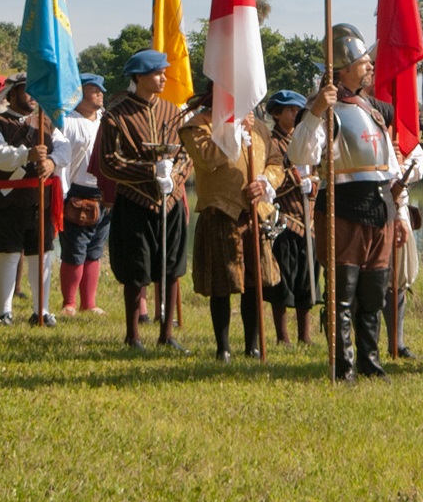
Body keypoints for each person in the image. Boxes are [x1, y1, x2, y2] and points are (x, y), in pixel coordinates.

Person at [291, 26, 411, 381]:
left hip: (379, 209)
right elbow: (300, 155)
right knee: (342, 293)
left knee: (374, 293)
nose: (370, 67)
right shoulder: (324, 110)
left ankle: (370, 362)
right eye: (363, 63)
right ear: (343, 69)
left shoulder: (374, 111)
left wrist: (400, 212)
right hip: (343, 207)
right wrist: (315, 112)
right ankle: (342, 366)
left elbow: (390, 168)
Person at [180, 85, 283, 361]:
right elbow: (207, 158)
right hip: (219, 212)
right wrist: (234, 128)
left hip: (254, 214)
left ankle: (252, 345)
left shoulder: (259, 127)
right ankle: (222, 348)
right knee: (221, 285)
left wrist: (264, 183)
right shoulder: (197, 126)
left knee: (254, 283)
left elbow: (276, 164)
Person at [98, 49, 192, 351]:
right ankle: (133, 334)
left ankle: (166, 334)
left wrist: (174, 176)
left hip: (171, 201)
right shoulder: (115, 115)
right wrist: (150, 170)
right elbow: (108, 162)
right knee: (135, 270)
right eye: (157, 73)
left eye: (164, 72)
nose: (164, 77)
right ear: (139, 77)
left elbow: (186, 154)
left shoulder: (174, 112)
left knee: (172, 268)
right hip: (135, 201)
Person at [0, 74, 69, 326]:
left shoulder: (46, 122)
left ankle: (42, 310)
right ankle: (4, 311)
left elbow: (64, 148)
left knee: (42, 256)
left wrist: (51, 161)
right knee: (7, 254)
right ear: (11, 95)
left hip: (41, 201)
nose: (32, 95)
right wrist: (25, 155)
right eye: (26, 90)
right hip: (8, 200)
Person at [261, 90, 318, 345]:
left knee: (307, 282)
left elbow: (318, 172)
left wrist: (312, 183)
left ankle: (305, 335)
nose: (295, 115)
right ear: (276, 114)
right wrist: (296, 180)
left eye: (298, 111)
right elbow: (269, 178)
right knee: (281, 283)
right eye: (290, 111)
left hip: (309, 220)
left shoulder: (306, 141)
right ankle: (282, 336)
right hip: (283, 219)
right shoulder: (271, 143)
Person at [57, 73, 109, 316]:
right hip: (75, 192)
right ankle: (69, 303)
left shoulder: (107, 121)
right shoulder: (66, 122)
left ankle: (89, 302)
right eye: (94, 88)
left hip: (103, 192)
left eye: (101, 89)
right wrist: (64, 195)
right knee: (74, 251)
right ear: (80, 93)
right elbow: (61, 162)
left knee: (95, 250)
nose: (100, 92)